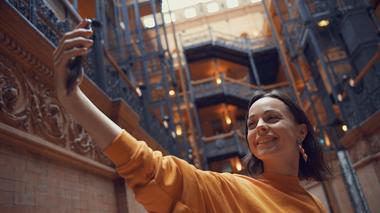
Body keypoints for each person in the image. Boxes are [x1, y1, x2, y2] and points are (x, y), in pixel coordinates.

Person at [53, 20, 329, 212]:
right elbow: (149, 168)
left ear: (301, 131)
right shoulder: (230, 191)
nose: (260, 128)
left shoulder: (314, 205)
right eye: (252, 124)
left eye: (271, 118)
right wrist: (74, 100)